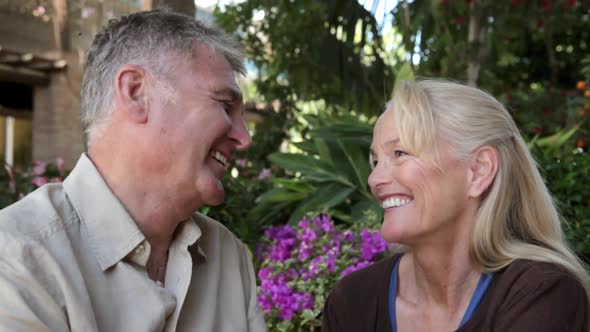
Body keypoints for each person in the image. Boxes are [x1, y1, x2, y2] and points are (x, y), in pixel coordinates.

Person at [0, 9, 266, 332]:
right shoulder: (16, 257)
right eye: (225, 105)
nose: (245, 138)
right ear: (136, 93)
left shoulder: (228, 256)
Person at [322, 79, 590, 331]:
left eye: (400, 153)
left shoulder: (541, 294)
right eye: (377, 160)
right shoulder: (353, 300)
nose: (374, 179)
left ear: (479, 171)